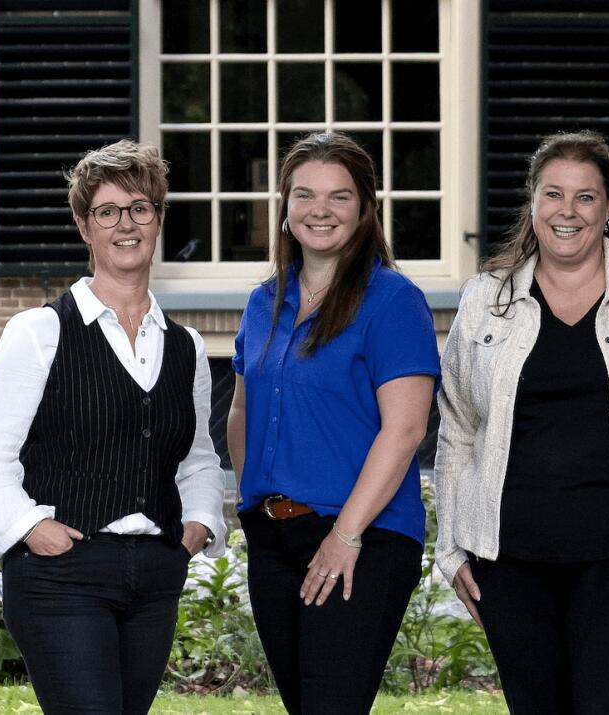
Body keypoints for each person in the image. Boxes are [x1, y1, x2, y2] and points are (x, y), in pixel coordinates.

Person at [433, 131, 609, 714]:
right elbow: (458, 430)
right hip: (509, 564)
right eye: (553, 194)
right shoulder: (486, 299)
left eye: (585, 197)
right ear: (533, 203)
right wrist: (451, 548)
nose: (568, 212)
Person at [0, 139, 229, 715]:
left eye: (140, 208)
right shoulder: (39, 332)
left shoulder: (185, 346)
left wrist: (198, 527)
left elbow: (198, 456)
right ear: (85, 226)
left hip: (155, 574)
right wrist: (31, 528)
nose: (125, 224)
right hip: (62, 574)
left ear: (158, 218)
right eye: (108, 212)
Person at [228, 131, 439, 714]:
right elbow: (243, 409)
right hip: (275, 536)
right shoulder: (264, 301)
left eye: (339, 196)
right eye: (304, 195)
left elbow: (405, 430)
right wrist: (254, 504)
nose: (319, 210)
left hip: (364, 539)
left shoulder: (393, 301)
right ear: (285, 207)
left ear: (366, 209)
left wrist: (345, 536)